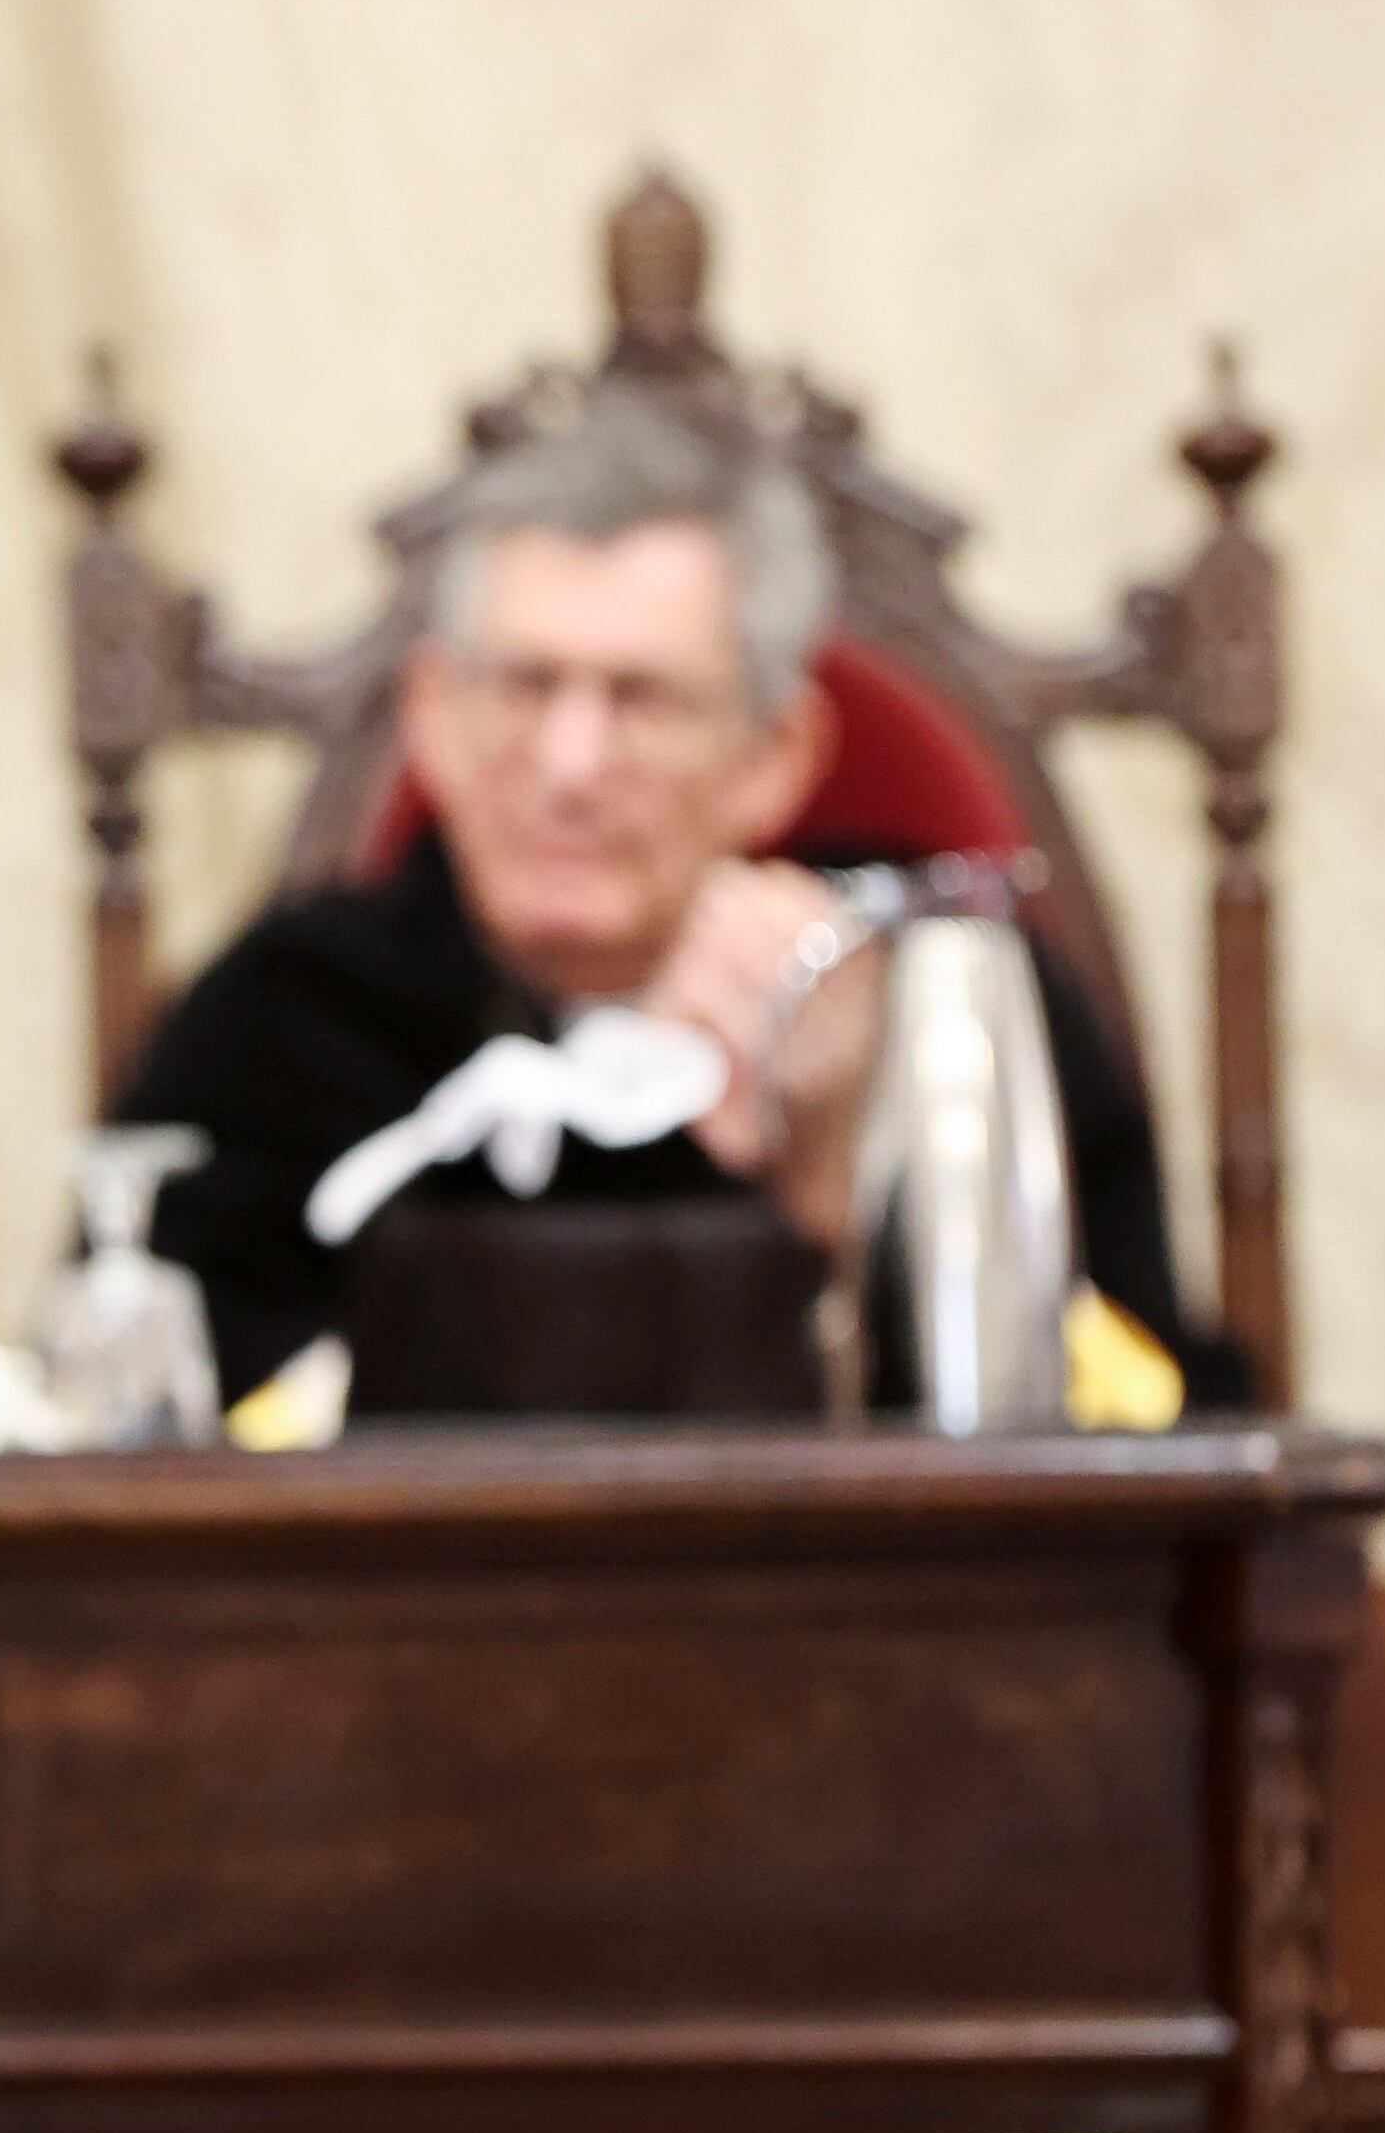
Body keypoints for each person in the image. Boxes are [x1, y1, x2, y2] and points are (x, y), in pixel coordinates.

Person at [113, 385, 1207, 1406]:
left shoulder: (940, 1004)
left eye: (641, 700)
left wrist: (841, 1158)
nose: (570, 764)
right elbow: (137, 1441)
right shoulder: (277, 1018)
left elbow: (1154, 1432)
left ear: (774, 755)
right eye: (522, 686)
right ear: (433, 720)